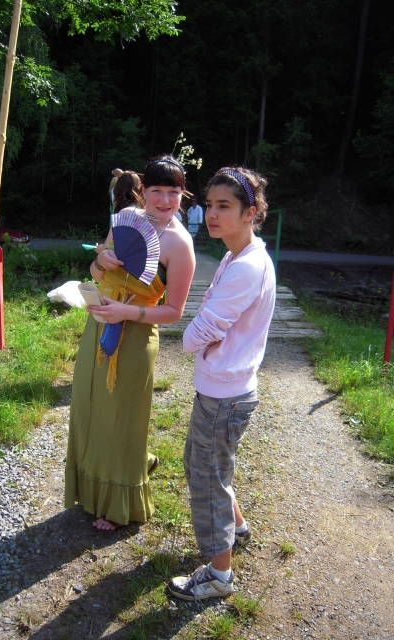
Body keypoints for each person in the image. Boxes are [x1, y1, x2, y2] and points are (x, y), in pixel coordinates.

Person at [65, 154, 196, 531]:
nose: (166, 200)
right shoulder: (125, 220)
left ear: (183, 195)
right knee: (91, 407)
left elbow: (173, 311)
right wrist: (101, 261)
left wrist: (127, 312)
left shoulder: (179, 244)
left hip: (136, 335)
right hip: (98, 325)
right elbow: (94, 272)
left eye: (174, 192)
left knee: (122, 418)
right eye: (157, 191)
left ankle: (120, 503)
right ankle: (102, 481)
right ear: (143, 192)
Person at [168, 166, 276, 601]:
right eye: (209, 205)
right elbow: (214, 319)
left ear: (250, 212)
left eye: (224, 206)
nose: (212, 214)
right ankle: (238, 529)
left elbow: (203, 328)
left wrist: (190, 338)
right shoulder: (238, 256)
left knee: (207, 479)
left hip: (225, 395)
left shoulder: (247, 266)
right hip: (224, 388)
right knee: (206, 465)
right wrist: (205, 334)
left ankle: (218, 575)